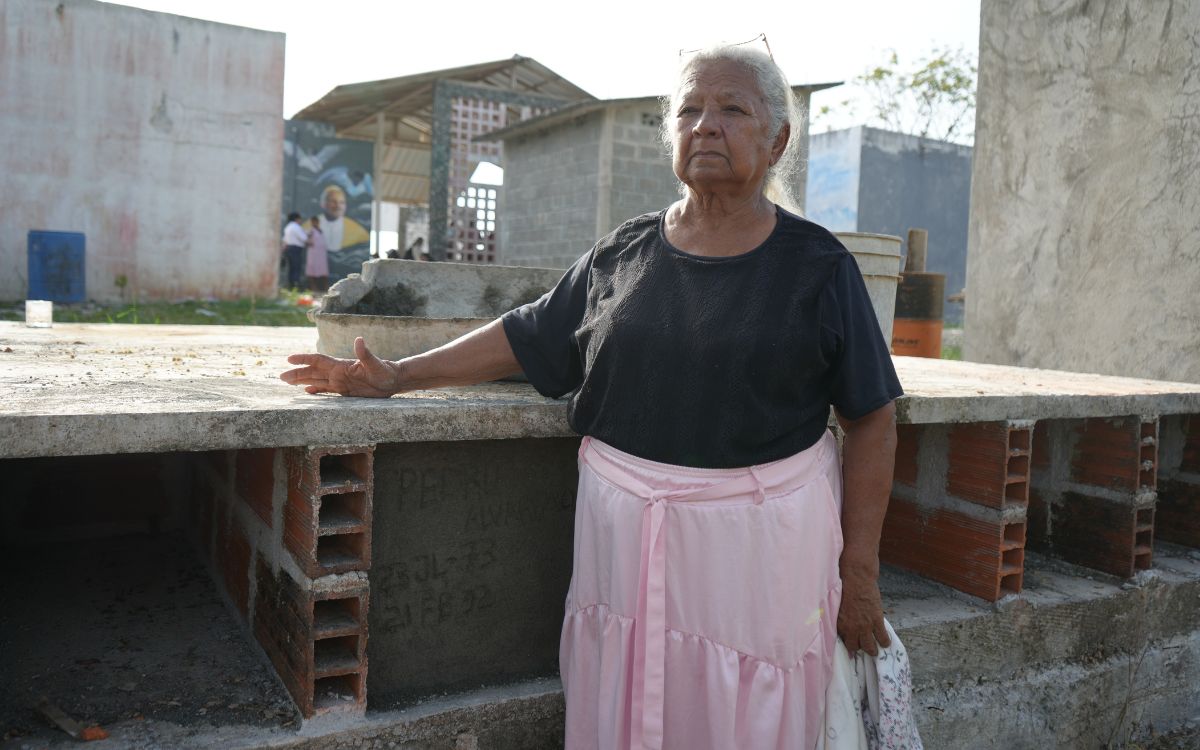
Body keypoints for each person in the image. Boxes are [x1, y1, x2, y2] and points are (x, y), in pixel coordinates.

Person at [282, 44, 914, 749]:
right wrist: (395, 376)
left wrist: (859, 573)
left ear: (778, 141)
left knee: (745, 713)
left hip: (759, 562)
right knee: (630, 696)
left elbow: (873, 419)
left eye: (733, 109)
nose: (706, 124)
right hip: (624, 549)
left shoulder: (818, 267)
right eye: (689, 109)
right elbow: (529, 336)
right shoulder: (625, 252)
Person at [304, 185, 370, 282]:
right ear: (323, 204)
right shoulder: (308, 226)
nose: (338, 206)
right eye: (333, 202)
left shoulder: (358, 231)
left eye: (342, 203)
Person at [281, 212, 307, 290]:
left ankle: (291, 285)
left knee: (291, 268)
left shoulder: (288, 227)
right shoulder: (296, 227)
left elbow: (284, 241)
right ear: (296, 219)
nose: (301, 220)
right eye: (300, 219)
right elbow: (304, 239)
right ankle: (296, 286)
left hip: (288, 249)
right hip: (296, 249)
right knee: (296, 267)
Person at [305, 215, 330, 293]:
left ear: (318, 222)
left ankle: (326, 288)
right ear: (311, 222)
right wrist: (309, 241)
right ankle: (313, 288)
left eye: (316, 221)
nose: (315, 223)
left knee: (323, 271)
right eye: (313, 222)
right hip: (313, 254)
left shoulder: (320, 230)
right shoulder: (311, 231)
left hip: (321, 254)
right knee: (312, 270)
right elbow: (308, 241)